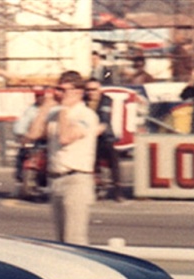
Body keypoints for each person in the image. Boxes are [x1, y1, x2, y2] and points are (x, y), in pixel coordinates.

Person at [27, 70, 99, 245]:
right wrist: (45, 108)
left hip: (75, 179)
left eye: (63, 90)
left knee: (74, 240)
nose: (58, 94)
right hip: (56, 179)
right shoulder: (56, 114)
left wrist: (64, 110)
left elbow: (65, 138)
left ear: (77, 92)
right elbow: (33, 134)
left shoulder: (86, 115)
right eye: (57, 89)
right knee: (61, 241)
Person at [85, 78, 124, 201]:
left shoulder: (106, 100)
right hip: (89, 137)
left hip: (105, 136)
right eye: (89, 90)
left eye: (94, 89)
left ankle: (118, 191)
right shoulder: (83, 102)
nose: (91, 92)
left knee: (114, 162)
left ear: (99, 89)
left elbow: (104, 119)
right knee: (91, 163)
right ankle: (97, 187)